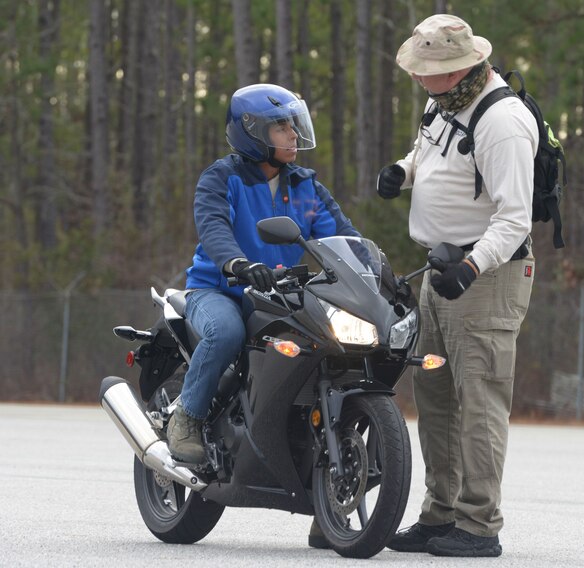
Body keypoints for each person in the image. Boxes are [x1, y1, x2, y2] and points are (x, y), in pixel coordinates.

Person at [377, 14, 538, 558]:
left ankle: (477, 524)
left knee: (480, 400)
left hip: (486, 277)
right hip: (439, 272)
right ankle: (439, 514)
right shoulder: (443, 101)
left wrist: (470, 269)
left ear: (463, 67)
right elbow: (431, 151)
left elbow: (515, 219)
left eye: (432, 71)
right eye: (419, 70)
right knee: (437, 398)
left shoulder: (504, 122)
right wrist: (404, 171)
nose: (421, 78)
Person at [167, 83, 360, 465]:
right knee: (226, 333)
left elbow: (344, 239)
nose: (292, 134)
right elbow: (214, 228)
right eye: (280, 127)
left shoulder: (307, 186)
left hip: (284, 296)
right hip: (220, 292)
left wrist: (377, 276)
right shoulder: (221, 178)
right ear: (252, 133)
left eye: (293, 124)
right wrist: (239, 265)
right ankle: (186, 417)